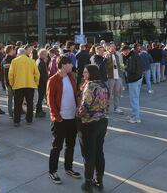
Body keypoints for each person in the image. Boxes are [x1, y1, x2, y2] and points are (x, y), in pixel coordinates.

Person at [47, 56, 81, 185]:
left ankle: (68, 168)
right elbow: (50, 101)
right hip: (60, 119)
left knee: (70, 145)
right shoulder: (53, 80)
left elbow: (75, 94)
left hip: (72, 118)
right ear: (63, 65)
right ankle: (52, 171)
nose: (72, 66)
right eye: (70, 64)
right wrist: (58, 117)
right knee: (57, 146)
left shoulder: (72, 77)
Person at [77, 64, 110, 192]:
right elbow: (107, 103)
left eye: (85, 72)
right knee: (99, 152)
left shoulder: (90, 86)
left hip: (89, 124)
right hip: (102, 121)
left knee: (88, 154)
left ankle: (88, 183)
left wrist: (77, 114)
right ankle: (99, 180)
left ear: (91, 73)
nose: (83, 75)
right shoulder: (103, 85)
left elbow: (84, 106)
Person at [9, 48, 40, 127]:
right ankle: (29, 119)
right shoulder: (31, 61)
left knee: (17, 104)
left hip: (18, 85)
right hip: (30, 85)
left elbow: (10, 75)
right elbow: (37, 74)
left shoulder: (14, 61)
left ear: (18, 53)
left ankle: (16, 120)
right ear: (25, 53)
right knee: (30, 103)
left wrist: (12, 84)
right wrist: (36, 83)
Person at [121, 45, 143, 124]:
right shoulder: (135, 54)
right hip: (138, 78)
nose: (123, 53)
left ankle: (135, 118)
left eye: (123, 52)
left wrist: (124, 68)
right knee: (135, 99)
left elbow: (131, 69)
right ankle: (135, 116)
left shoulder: (131, 57)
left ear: (126, 50)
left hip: (134, 79)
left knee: (134, 99)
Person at [105, 42, 123, 114]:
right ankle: (106, 108)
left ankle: (117, 108)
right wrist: (111, 62)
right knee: (109, 94)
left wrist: (121, 70)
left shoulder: (116, 54)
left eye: (114, 46)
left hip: (117, 76)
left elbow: (119, 64)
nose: (114, 48)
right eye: (112, 47)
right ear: (109, 47)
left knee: (117, 93)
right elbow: (106, 66)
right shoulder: (106, 55)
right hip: (110, 77)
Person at [2, 45, 16, 119]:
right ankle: (16, 112)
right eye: (13, 50)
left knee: (9, 98)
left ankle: (10, 113)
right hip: (14, 82)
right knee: (16, 98)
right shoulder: (14, 59)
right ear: (11, 50)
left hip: (7, 82)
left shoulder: (3, 59)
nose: (14, 51)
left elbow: (2, 72)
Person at [36, 48, 48, 117]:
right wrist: (46, 83)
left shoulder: (39, 61)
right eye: (46, 54)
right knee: (40, 97)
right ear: (42, 54)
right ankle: (38, 111)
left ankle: (39, 109)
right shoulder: (41, 62)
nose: (47, 55)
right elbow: (43, 75)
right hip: (41, 82)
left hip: (40, 82)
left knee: (40, 97)